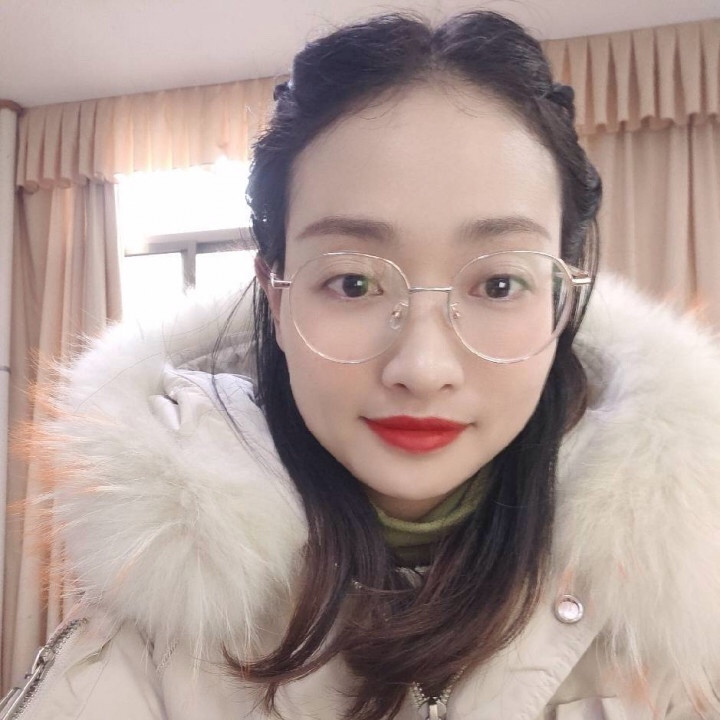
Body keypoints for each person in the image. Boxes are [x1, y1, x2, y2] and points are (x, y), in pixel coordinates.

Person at [3, 10, 720, 720]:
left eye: (499, 284)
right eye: (353, 283)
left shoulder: (676, 615)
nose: (423, 368)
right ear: (276, 297)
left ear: (563, 303)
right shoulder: (151, 634)